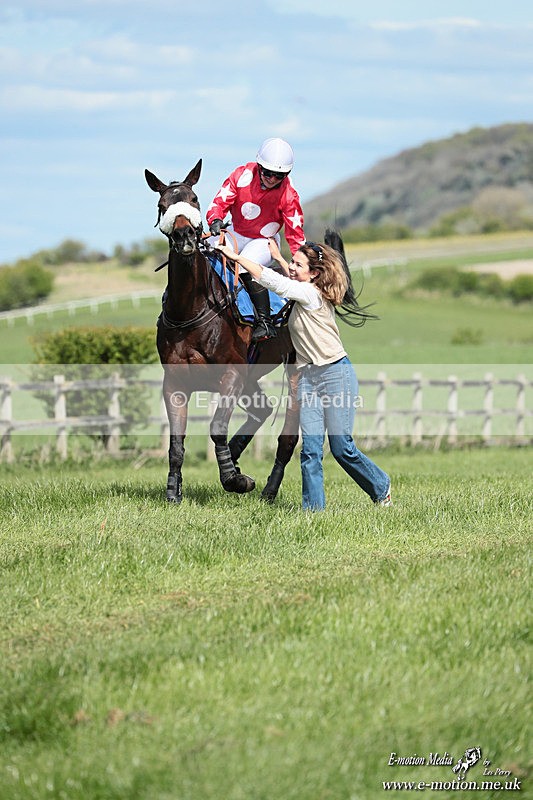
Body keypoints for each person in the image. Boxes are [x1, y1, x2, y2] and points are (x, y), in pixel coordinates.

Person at [215, 235, 392, 512]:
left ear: (314, 274)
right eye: (293, 263)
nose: (292, 267)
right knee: (310, 450)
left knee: (341, 447)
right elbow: (289, 278)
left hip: (335, 374)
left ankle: (381, 487)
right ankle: (313, 512)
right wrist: (281, 258)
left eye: (298, 265)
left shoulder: (310, 295)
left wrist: (236, 257)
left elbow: (275, 281)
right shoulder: (306, 288)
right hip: (308, 378)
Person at [206, 137, 306, 343]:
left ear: (286, 174)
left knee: (246, 266)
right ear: (259, 166)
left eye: (279, 175)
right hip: (235, 232)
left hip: (263, 241)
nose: (271, 178)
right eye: (267, 172)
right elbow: (219, 202)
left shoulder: (289, 195)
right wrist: (215, 219)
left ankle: (264, 322)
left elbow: (295, 235)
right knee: (202, 252)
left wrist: (303, 263)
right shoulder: (240, 175)